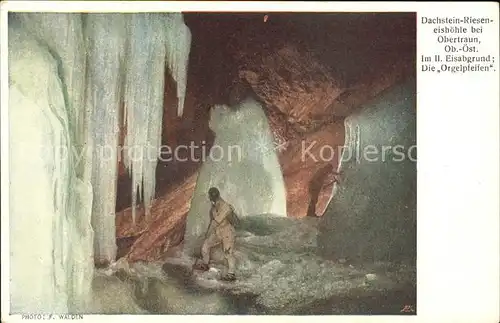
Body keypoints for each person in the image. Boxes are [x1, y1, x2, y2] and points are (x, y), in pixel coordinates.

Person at [192, 187, 237, 281]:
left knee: (228, 253)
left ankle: (231, 274)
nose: (210, 198)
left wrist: (207, 233)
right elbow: (212, 221)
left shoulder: (225, 206)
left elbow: (215, 222)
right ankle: (205, 264)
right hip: (218, 231)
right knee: (205, 246)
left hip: (227, 232)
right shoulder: (214, 206)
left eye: (211, 196)